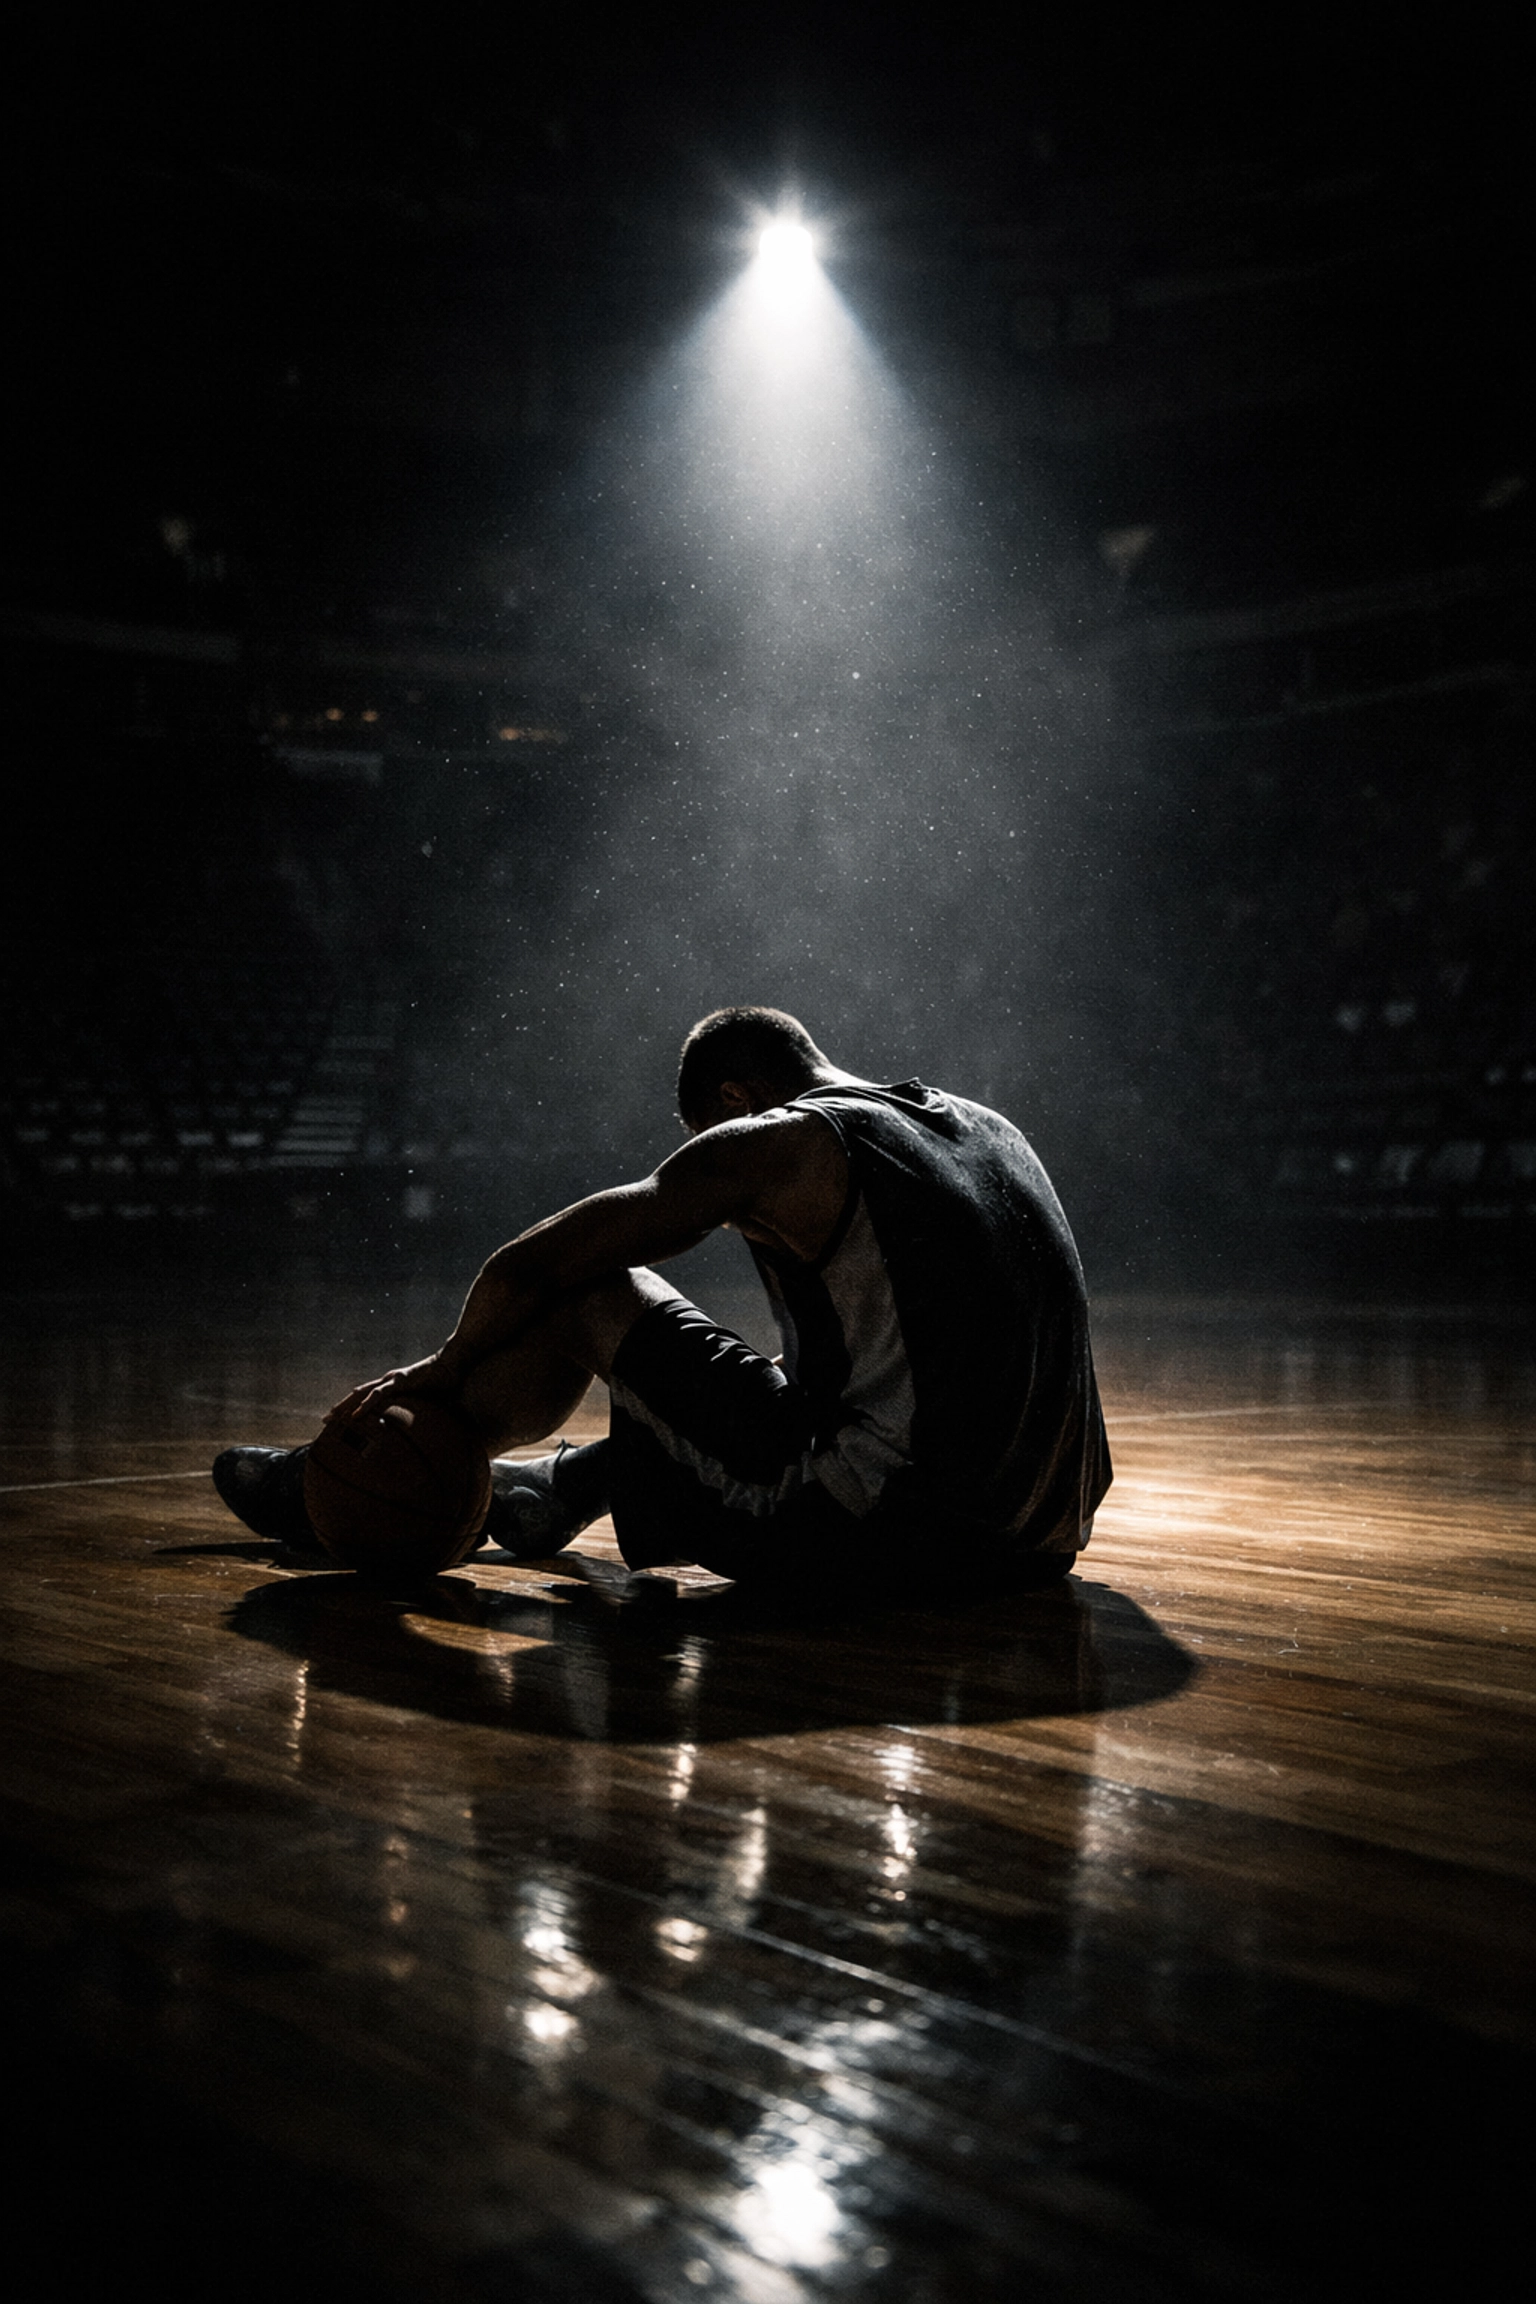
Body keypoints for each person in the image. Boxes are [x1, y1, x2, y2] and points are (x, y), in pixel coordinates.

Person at [214, 1007, 1111, 1595]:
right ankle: (559, 1487)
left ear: (737, 1099)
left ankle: (373, 1473)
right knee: (772, 1387)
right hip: (1043, 1538)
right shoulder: (985, 1126)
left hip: (890, 1542)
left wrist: (443, 1366)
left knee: (590, 1287)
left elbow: (535, 1267)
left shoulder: (781, 1142)